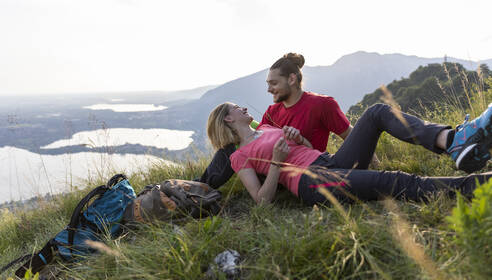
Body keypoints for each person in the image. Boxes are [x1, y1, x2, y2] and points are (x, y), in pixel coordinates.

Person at [206, 101, 492, 205]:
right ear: (227, 119)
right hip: (311, 183)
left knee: (376, 112)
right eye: (236, 108)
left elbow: (310, 151)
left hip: (328, 161)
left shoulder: (267, 127)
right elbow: (262, 201)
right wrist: (277, 164)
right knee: (394, 181)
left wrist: (300, 138)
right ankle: (481, 185)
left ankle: (452, 140)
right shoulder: (239, 156)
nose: (243, 108)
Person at [198, 53, 354, 188]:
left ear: (292, 79)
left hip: (310, 169)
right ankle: (197, 188)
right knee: (231, 148)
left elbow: (351, 136)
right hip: (274, 175)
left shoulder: (322, 104)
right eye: (268, 84)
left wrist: (372, 163)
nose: (269, 90)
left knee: (232, 148)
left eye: (273, 83)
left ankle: (196, 188)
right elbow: (255, 142)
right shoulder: (272, 112)